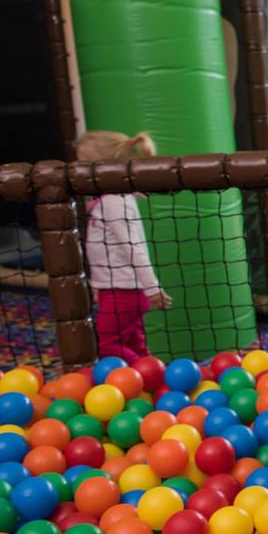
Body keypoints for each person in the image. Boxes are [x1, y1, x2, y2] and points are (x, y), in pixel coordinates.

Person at [77, 131, 172, 363]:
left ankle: (143, 377)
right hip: (116, 290)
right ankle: (154, 383)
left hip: (125, 293)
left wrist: (153, 288)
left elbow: (134, 248)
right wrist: (98, 287)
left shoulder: (114, 202)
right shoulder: (108, 200)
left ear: (103, 169)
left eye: (82, 166)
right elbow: (105, 252)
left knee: (105, 343)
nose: (76, 173)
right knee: (134, 344)